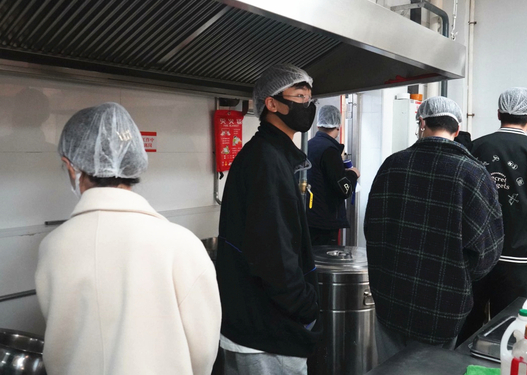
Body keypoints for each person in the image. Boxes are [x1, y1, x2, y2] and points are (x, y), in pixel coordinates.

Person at [35, 102, 221, 375]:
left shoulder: (53, 247)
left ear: (70, 165)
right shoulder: (181, 244)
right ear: (134, 163)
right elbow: (203, 352)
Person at [364, 96, 504, 363]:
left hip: (390, 296)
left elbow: (372, 229)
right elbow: (488, 251)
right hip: (444, 304)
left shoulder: (392, 165)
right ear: (458, 129)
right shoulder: (473, 174)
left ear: (422, 122)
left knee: (390, 369)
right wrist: (459, 276)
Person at [216, 64, 321, 375]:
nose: (307, 105)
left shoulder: (270, 154)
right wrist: (304, 307)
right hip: (266, 334)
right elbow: (273, 252)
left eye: (309, 98)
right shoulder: (266, 160)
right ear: (272, 104)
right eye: (299, 96)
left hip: (261, 327)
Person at [458, 87, 527, 344]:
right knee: (508, 331)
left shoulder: (473, 148)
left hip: (473, 257)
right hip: (516, 261)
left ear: (498, 113)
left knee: (466, 328)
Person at [306, 105, 359, 245]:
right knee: (325, 257)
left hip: (308, 218)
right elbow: (344, 189)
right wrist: (353, 174)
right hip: (325, 223)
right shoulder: (330, 150)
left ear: (318, 125)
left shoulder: (307, 146)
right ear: (338, 126)